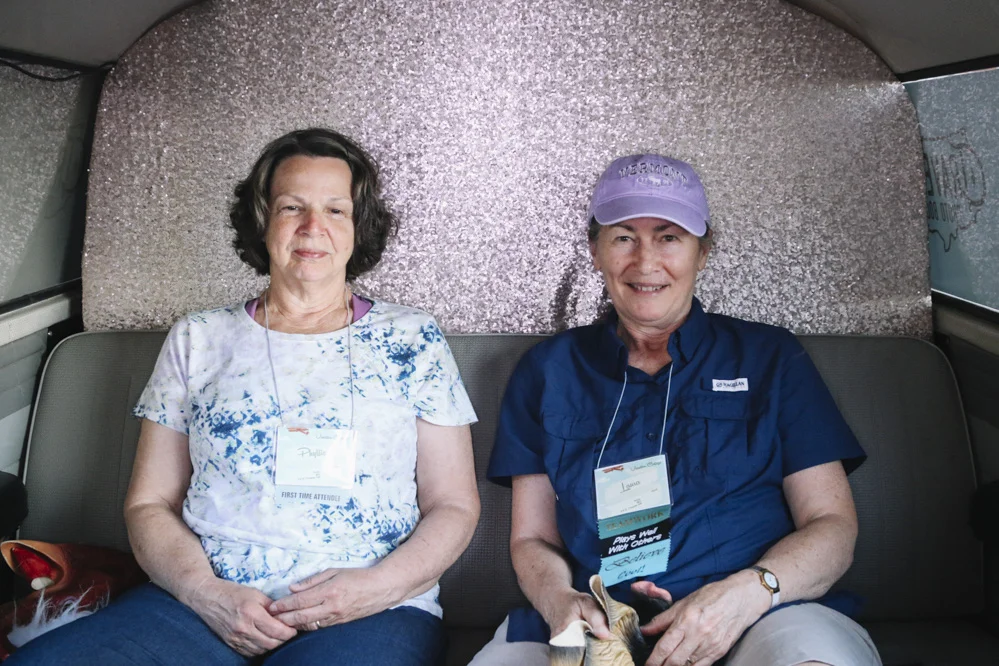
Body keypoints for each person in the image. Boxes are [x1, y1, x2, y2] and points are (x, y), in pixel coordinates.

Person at [9, 128, 480, 666]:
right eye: (291, 207)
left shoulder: (413, 338)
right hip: (202, 603)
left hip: (373, 609)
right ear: (262, 220)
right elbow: (148, 503)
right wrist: (205, 593)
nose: (313, 227)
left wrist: (377, 587)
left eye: (335, 210)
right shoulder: (199, 337)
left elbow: (453, 505)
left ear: (359, 226)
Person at [471, 154, 882, 666]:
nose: (645, 263)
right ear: (595, 251)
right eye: (624, 237)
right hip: (595, 622)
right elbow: (533, 538)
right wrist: (561, 602)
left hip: (758, 616)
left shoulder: (771, 357)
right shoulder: (547, 370)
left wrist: (750, 592)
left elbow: (832, 524)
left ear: (702, 252)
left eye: (669, 237)